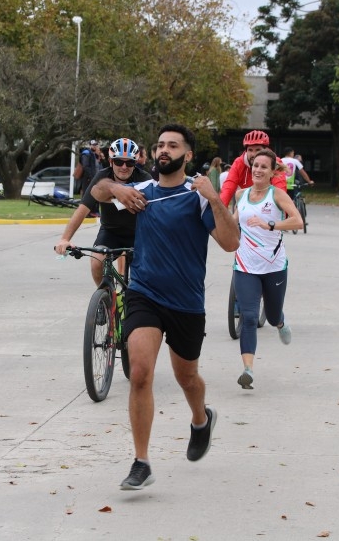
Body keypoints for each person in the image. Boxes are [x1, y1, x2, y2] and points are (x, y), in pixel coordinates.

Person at [90, 123, 240, 491]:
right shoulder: (140, 191)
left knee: (186, 377)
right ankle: (141, 461)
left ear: (188, 155)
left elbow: (230, 243)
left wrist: (216, 198)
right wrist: (117, 188)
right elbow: (97, 190)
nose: (163, 151)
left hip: (187, 302)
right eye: (159, 145)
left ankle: (201, 418)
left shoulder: (198, 195)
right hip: (144, 293)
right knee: (140, 373)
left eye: (172, 146)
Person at [232, 149, 303, 390]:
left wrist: (270, 224)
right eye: (255, 165)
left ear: (273, 172)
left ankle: (281, 322)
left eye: (264, 166)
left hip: (273, 265)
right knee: (249, 317)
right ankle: (248, 370)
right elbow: (233, 222)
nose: (258, 170)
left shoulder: (277, 195)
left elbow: (297, 221)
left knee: (271, 316)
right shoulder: (241, 195)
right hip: (245, 265)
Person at [54, 138, 152, 284]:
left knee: (144, 277)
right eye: (119, 161)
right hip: (110, 232)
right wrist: (65, 239)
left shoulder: (145, 179)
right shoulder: (101, 177)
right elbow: (82, 209)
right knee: (96, 262)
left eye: (129, 162)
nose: (124, 167)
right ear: (111, 162)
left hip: (138, 234)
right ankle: (107, 297)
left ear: (135, 163)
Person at [220, 130, 287, 208]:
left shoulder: (275, 162)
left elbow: (280, 189)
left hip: (268, 204)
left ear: (266, 150)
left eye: (258, 150)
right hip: (247, 202)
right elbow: (227, 189)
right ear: (246, 151)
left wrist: (281, 213)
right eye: (250, 150)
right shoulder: (239, 163)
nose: (254, 154)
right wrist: (219, 212)